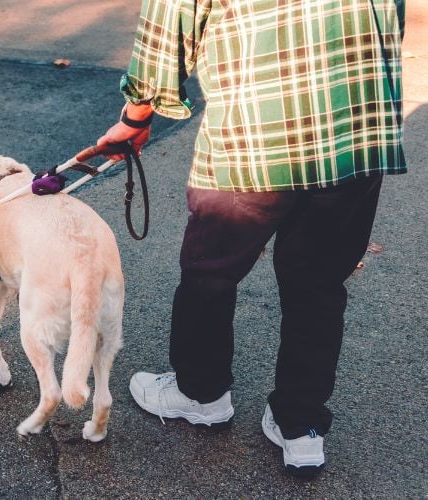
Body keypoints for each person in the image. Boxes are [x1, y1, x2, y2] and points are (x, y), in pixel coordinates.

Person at [97, 0, 406, 477]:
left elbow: (167, 28)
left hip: (255, 136)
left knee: (210, 272)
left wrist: (137, 116)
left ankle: (201, 393)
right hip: (357, 131)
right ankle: (300, 427)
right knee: (319, 285)